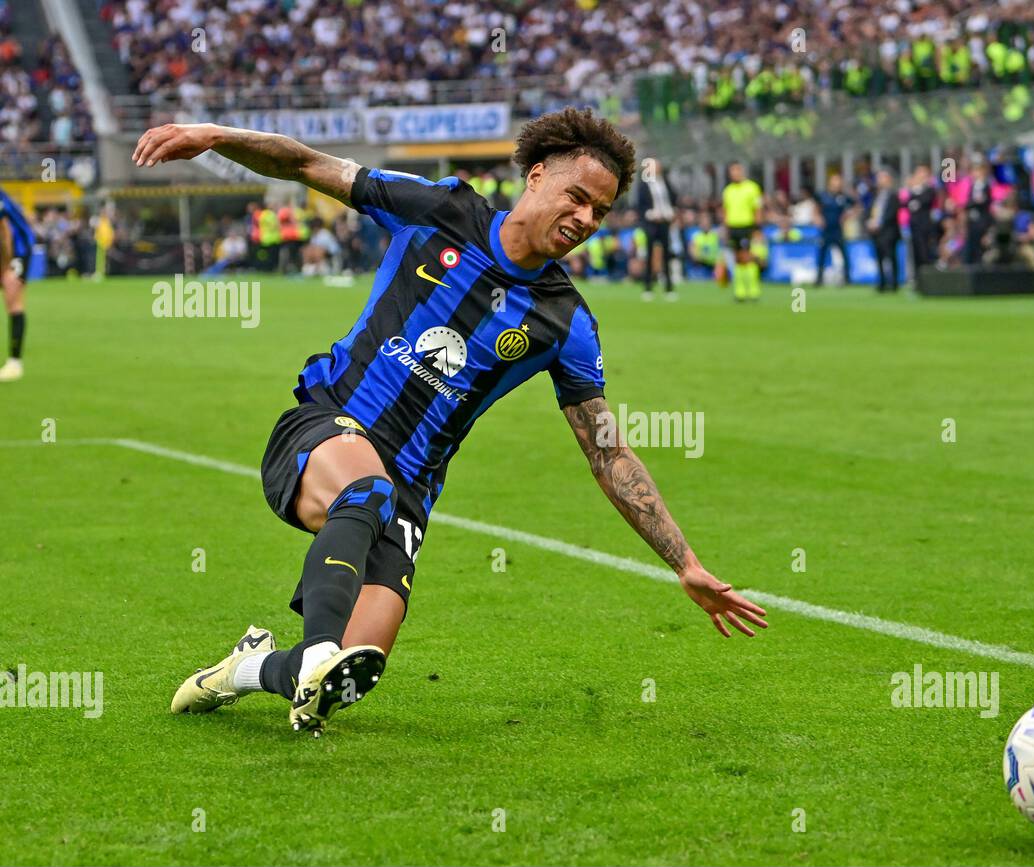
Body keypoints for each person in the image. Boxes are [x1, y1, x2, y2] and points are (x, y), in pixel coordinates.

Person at [134, 108, 768, 735]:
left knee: (353, 674)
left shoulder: (565, 322)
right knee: (364, 494)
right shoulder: (441, 210)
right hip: (327, 424)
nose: (584, 220)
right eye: (576, 197)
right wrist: (214, 137)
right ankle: (317, 647)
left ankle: (247, 670)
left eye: (599, 212)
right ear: (537, 176)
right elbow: (305, 164)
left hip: (411, 489)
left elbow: (608, 453)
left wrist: (683, 561)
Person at [0, 185, 35, 383]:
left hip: (18, 251)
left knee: (13, 300)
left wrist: (8, 265)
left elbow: (5, 232)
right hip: (5, 251)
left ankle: (15, 363)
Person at [633, 157, 677, 301]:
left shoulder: (665, 182)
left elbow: (672, 200)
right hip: (651, 223)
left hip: (664, 222)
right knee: (649, 254)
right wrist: (651, 214)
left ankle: (669, 288)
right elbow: (640, 206)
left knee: (666, 254)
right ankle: (648, 287)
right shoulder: (644, 185)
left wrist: (671, 212)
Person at [722, 162, 763, 302]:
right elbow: (726, 212)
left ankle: (753, 289)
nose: (734, 174)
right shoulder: (728, 190)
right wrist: (726, 229)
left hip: (747, 226)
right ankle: (739, 290)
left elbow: (757, 209)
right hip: (733, 227)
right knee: (737, 259)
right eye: (732, 171)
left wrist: (757, 228)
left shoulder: (752, 188)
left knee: (747, 257)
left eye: (736, 170)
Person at [814, 172, 854, 286]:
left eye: (839, 181)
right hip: (826, 230)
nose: (837, 184)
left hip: (838, 230)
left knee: (844, 254)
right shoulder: (823, 195)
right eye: (835, 181)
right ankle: (819, 278)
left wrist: (847, 216)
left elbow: (856, 205)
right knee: (822, 253)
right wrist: (817, 217)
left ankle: (847, 278)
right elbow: (816, 207)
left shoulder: (843, 197)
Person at [866, 168, 901, 291]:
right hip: (876, 233)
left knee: (891, 257)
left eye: (882, 178)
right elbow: (869, 211)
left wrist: (879, 223)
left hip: (889, 231)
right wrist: (869, 222)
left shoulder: (893, 195)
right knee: (879, 257)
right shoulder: (875, 195)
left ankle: (894, 283)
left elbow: (891, 213)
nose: (879, 181)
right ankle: (882, 282)